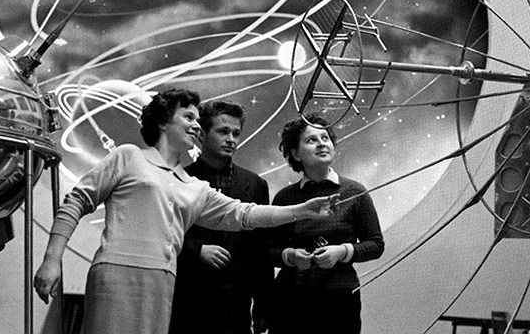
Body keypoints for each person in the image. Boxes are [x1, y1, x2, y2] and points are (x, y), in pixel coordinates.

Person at [33, 89, 336, 334]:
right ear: (163, 122)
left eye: (198, 119)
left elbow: (245, 214)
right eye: (188, 117)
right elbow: (77, 201)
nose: (196, 125)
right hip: (116, 274)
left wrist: (301, 210)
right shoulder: (128, 156)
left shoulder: (193, 186)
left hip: (162, 282)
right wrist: (51, 260)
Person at [267, 114, 384, 334]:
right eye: (311, 140)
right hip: (291, 301)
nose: (322, 144)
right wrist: (291, 256)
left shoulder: (355, 192)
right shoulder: (285, 197)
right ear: (295, 154)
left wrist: (342, 252)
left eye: (325, 138)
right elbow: (268, 250)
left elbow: (376, 244)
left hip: (340, 301)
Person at [168, 101, 271, 334]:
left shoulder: (256, 184)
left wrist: (263, 305)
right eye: (223, 131)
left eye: (236, 133)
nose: (231, 139)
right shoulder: (178, 179)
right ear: (202, 134)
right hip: (188, 300)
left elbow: (261, 249)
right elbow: (161, 233)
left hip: (236, 305)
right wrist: (196, 250)